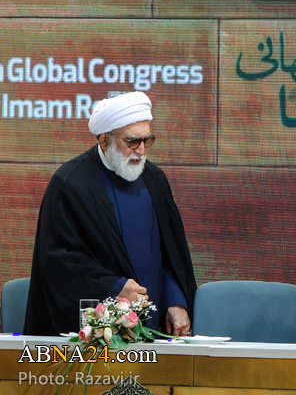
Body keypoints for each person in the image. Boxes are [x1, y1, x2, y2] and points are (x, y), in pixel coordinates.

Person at [24, 92, 196, 337]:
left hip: (154, 326)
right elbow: (58, 259)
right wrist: (114, 288)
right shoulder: (70, 183)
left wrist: (176, 300)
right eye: (132, 141)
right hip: (96, 331)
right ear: (105, 140)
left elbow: (171, 253)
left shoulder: (155, 180)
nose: (141, 150)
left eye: (147, 140)